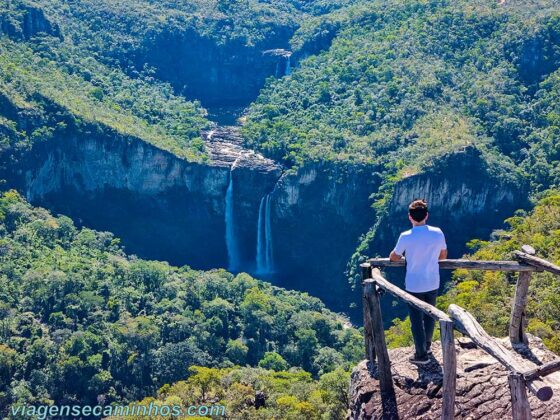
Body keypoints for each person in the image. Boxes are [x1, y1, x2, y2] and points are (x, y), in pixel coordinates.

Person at [389, 199, 447, 365]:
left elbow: (394, 257)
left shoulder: (406, 236)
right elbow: (443, 256)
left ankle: (421, 355)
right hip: (433, 281)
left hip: (414, 284)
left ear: (410, 217)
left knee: (416, 320)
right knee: (430, 316)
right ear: (426, 216)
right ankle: (427, 347)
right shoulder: (438, 233)